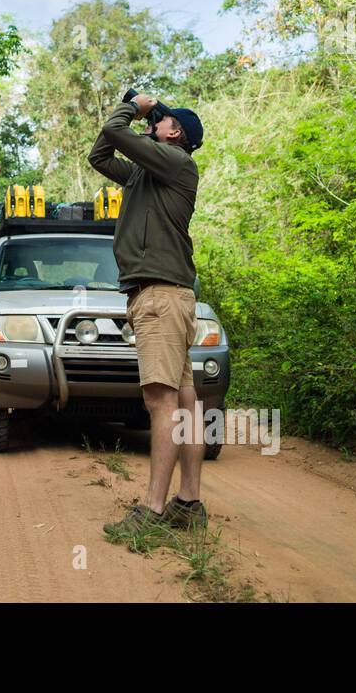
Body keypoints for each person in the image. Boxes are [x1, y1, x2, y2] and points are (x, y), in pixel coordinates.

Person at [87, 93, 208, 536]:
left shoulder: (175, 164)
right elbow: (100, 153)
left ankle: (152, 512)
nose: (156, 122)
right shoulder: (145, 174)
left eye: (163, 120)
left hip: (160, 295)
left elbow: (116, 132)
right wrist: (138, 119)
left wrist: (136, 108)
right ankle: (188, 503)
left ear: (174, 132)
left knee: (161, 401)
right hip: (167, 295)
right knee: (185, 402)